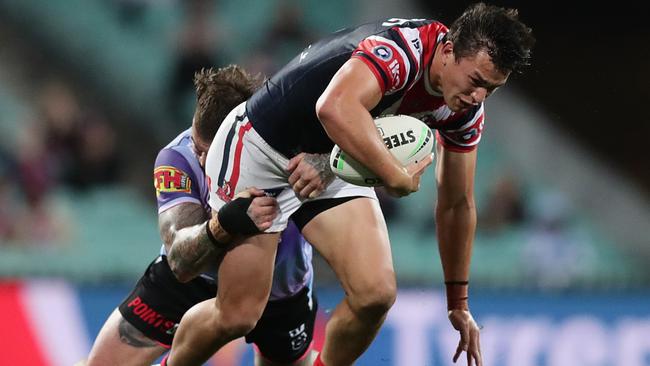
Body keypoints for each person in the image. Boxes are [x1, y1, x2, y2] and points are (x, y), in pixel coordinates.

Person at [166, 4, 535, 366]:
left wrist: (458, 303)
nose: (478, 97)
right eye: (476, 82)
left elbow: (457, 204)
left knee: (375, 295)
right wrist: (394, 175)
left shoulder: (465, 109)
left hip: (333, 157)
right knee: (238, 314)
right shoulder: (403, 50)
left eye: (491, 88)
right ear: (449, 50)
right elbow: (335, 107)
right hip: (261, 149)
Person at [84, 65, 319, 366]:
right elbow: (180, 258)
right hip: (195, 281)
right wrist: (224, 224)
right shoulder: (177, 158)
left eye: (215, 150)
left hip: (281, 293)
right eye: (198, 147)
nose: (203, 160)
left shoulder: (290, 157)